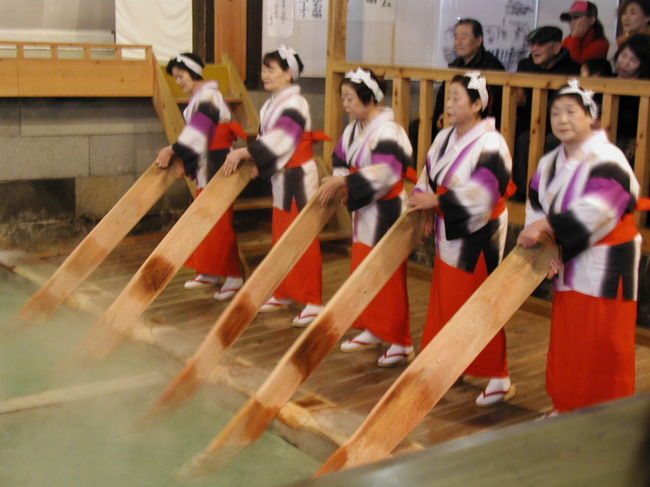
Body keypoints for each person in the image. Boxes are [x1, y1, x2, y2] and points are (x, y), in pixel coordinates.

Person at [517, 79, 642, 415]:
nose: (562, 119)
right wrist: (547, 246)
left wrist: (548, 229)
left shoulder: (608, 157)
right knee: (568, 338)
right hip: (568, 256)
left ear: (591, 116)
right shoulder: (549, 162)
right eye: (556, 112)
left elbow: (601, 208)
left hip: (605, 263)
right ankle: (567, 404)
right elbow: (535, 204)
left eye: (572, 111)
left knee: (603, 341)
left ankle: (608, 413)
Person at [409, 72, 516, 406]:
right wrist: (425, 205)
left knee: (478, 303)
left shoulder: (492, 143)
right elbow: (428, 175)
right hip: (449, 225)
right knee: (447, 297)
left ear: (478, 104)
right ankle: (449, 362)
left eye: (457, 97)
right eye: (448, 97)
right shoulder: (443, 137)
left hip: (478, 233)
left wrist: (438, 202)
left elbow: (485, 193)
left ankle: (498, 376)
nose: (450, 104)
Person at [222, 46, 326, 327]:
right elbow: (275, 142)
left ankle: (312, 300)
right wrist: (262, 163)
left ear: (288, 73)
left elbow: (281, 139)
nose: (264, 75)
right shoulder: (273, 103)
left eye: (271, 69)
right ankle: (283, 290)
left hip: (298, 177)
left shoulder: (296, 104)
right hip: (283, 173)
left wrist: (246, 153)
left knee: (301, 235)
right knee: (282, 232)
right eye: (264, 69)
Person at [319, 67, 415, 368]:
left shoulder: (389, 131)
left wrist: (346, 183)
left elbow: (388, 172)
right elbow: (339, 160)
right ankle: (373, 328)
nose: (345, 104)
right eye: (343, 98)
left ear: (369, 97)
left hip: (386, 208)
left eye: (349, 98)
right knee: (363, 266)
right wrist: (341, 180)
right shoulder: (352, 130)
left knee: (386, 272)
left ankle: (400, 340)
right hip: (365, 208)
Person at [156, 52, 245, 301]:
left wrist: (173, 149)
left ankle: (233, 275)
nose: (179, 82)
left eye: (181, 76)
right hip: (208, 160)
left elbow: (198, 132)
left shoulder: (208, 96)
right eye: (175, 77)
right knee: (205, 219)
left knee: (220, 222)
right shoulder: (202, 96)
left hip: (218, 163)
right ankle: (210, 271)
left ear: (194, 73)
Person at [409, 19, 505, 158]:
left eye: (464, 37)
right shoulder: (455, 65)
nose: (458, 41)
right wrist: (440, 115)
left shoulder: (493, 68)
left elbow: (491, 106)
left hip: (475, 121)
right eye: (455, 37)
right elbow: (443, 96)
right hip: (453, 118)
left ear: (479, 40)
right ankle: (427, 171)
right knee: (418, 126)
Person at [513, 26, 581, 201]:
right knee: (522, 138)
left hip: (561, 126)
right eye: (533, 44)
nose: (534, 49)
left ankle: (550, 194)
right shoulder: (525, 65)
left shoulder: (573, 69)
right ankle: (522, 192)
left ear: (557, 47)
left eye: (541, 44)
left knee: (550, 142)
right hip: (531, 122)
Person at [612, 34, 650, 164]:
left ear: (643, 65)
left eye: (634, 61)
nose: (625, 63)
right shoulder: (605, 79)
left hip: (633, 142)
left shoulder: (644, 89)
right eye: (623, 55)